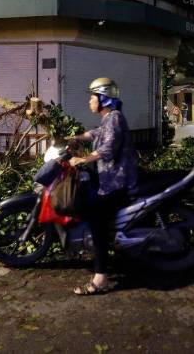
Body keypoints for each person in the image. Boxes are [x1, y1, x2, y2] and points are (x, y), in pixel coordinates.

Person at [67, 77, 137, 296]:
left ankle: (101, 278)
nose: (90, 101)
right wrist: (75, 138)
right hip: (109, 179)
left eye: (92, 97)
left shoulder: (114, 118)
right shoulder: (108, 119)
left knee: (96, 219)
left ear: (103, 98)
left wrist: (83, 159)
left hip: (118, 181)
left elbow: (107, 148)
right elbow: (96, 134)